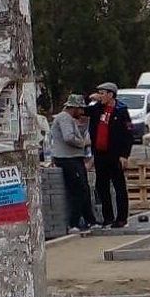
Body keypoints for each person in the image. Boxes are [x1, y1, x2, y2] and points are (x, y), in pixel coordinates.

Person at [85, 82, 135, 229]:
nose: (100, 96)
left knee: (119, 186)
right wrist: (89, 98)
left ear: (110, 94)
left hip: (115, 154)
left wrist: (125, 155)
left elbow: (128, 134)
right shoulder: (97, 109)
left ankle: (121, 218)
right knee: (102, 186)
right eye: (99, 93)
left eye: (102, 93)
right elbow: (82, 110)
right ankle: (108, 218)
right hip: (100, 154)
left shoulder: (121, 110)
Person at [50, 94, 97, 232]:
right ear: (74, 108)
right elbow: (69, 137)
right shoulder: (64, 118)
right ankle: (73, 223)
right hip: (67, 159)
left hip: (74, 158)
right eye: (80, 109)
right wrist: (83, 143)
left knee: (84, 189)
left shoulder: (69, 119)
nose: (82, 112)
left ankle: (90, 220)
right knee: (77, 190)